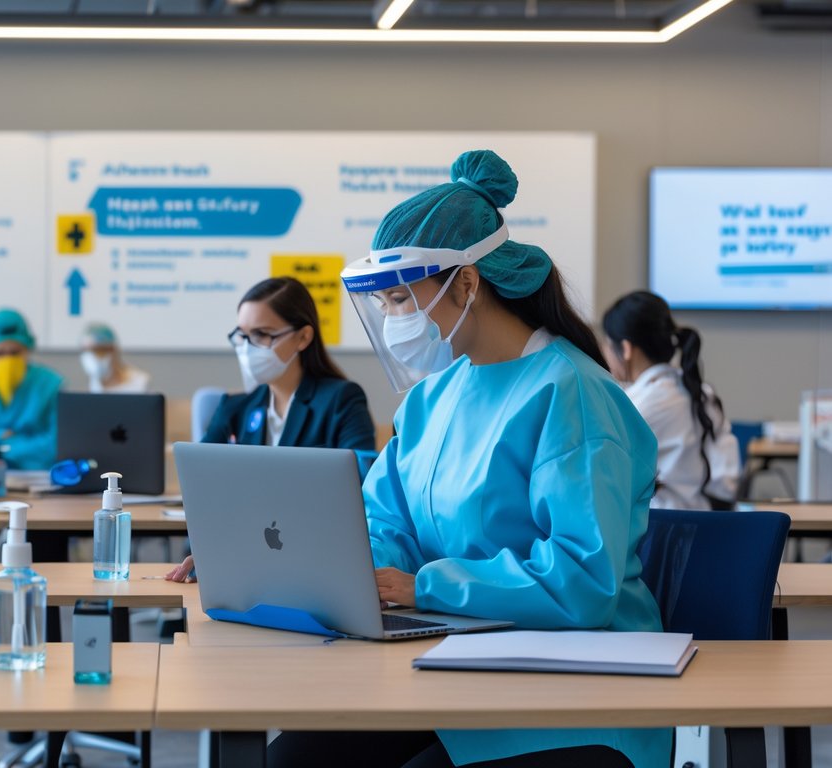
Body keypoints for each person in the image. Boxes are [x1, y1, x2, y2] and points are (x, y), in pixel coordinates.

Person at [172, 150, 667, 768]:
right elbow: (386, 525)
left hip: (569, 690)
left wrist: (424, 585)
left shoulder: (572, 394)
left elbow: (582, 580)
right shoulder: (431, 400)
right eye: (382, 305)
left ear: (466, 283)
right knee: (292, 762)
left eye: (402, 298)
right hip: (451, 664)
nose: (392, 319)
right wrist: (313, 569)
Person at [201, 277, 376, 450]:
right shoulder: (233, 408)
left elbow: (360, 475)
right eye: (242, 336)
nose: (248, 348)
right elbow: (197, 470)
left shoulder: (341, 401)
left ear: (303, 337)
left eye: (261, 334)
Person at [602, 290, 740, 510]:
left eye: (608, 344)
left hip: (660, 532)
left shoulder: (636, 406)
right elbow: (725, 484)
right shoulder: (702, 393)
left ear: (626, 349)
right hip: (710, 527)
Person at [0, 308, 62, 471]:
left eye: (15, 352)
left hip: (34, 476)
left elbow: (55, 444)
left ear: (28, 349)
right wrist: (7, 439)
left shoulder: (50, 384)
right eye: (0, 353)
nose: (7, 359)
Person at [80, 321, 150, 393]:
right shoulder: (94, 383)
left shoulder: (140, 383)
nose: (92, 357)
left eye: (98, 350)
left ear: (114, 351)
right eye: (86, 351)